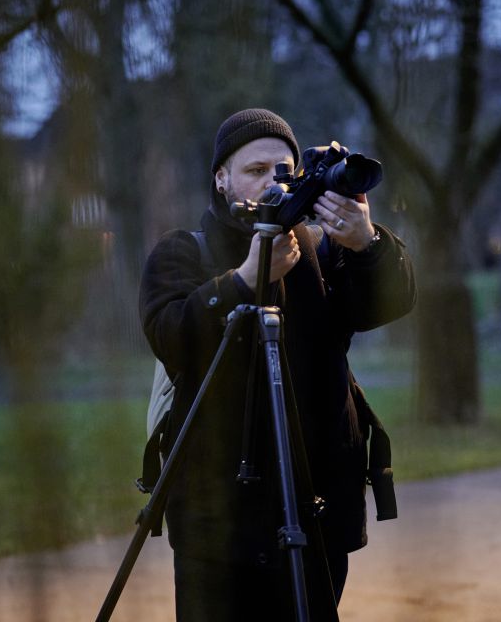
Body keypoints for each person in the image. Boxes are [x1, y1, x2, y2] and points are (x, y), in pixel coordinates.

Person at [139, 108, 416, 621]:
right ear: (221, 179)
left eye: (283, 171)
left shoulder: (318, 249)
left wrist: (366, 243)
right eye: (256, 170)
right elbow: (171, 337)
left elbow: (390, 303)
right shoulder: (183, 251)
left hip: (316, 512)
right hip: (218, 521)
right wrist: (245, 278)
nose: (273, 183)